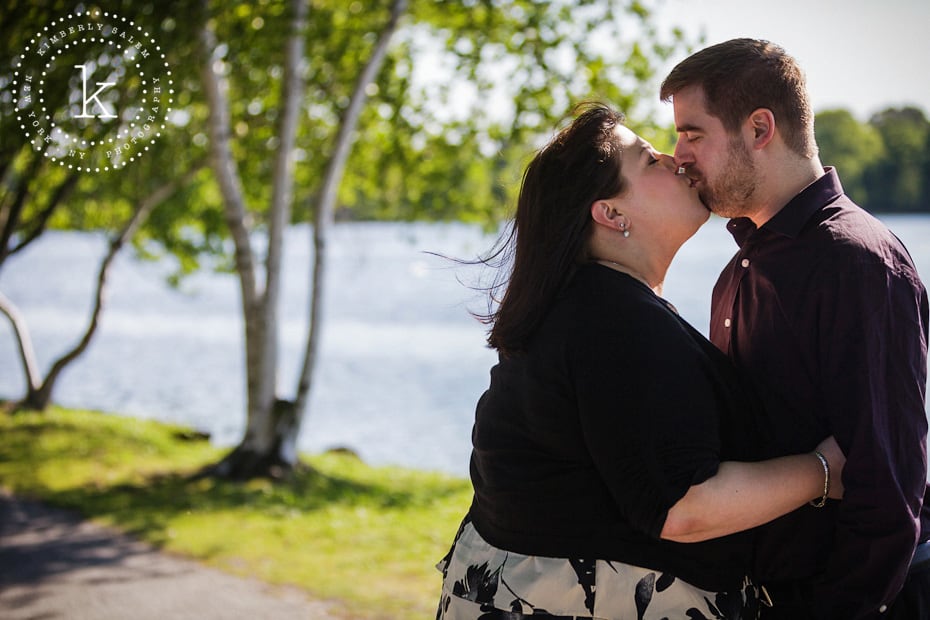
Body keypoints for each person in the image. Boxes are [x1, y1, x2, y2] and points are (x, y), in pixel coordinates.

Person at [435, 102, 844, 620]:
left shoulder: (588, 308)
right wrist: (825, 470)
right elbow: (683, 507)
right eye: (649, 160)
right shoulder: (613, 322)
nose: (677, 160)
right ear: (611, 213)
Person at [660, 38, 930, 620]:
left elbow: (888, 489)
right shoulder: (739, 270)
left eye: (693, 133)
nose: (678, 155)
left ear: (760, 128)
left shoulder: (856, 263)